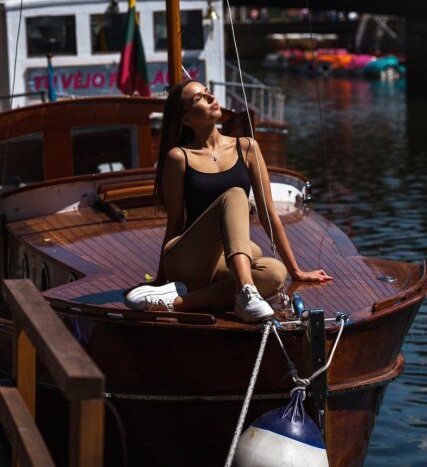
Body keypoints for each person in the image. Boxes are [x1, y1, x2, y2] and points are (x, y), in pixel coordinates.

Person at [124, 80, 332, 323]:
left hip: (224, 260)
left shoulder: (247, 147)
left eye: (209, 93)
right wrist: (162, 277)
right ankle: (245, 292)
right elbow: (175, 222)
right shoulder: (179, 157)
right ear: (187, 119)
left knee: (275, 273)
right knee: (235, 196)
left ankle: (176, 302)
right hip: (189, 259)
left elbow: (268, 213)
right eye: (199, 98)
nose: (212, 98)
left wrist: (296, 271)